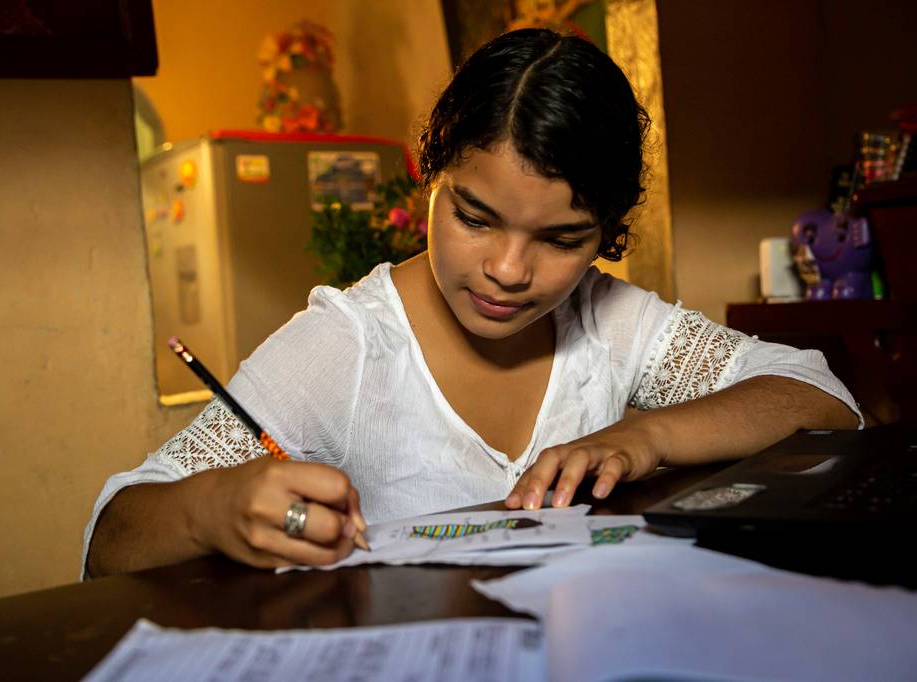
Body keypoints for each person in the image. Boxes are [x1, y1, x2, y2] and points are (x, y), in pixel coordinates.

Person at [83, 29, 859, 578]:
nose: (507, 271)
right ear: (431, 176)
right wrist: (213, 506)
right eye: (475, 218)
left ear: (607, 233)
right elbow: (108, 547)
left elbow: (823, 403)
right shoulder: (347, 345)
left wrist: (643, 436)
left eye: (561, 238)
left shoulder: (608, 321)